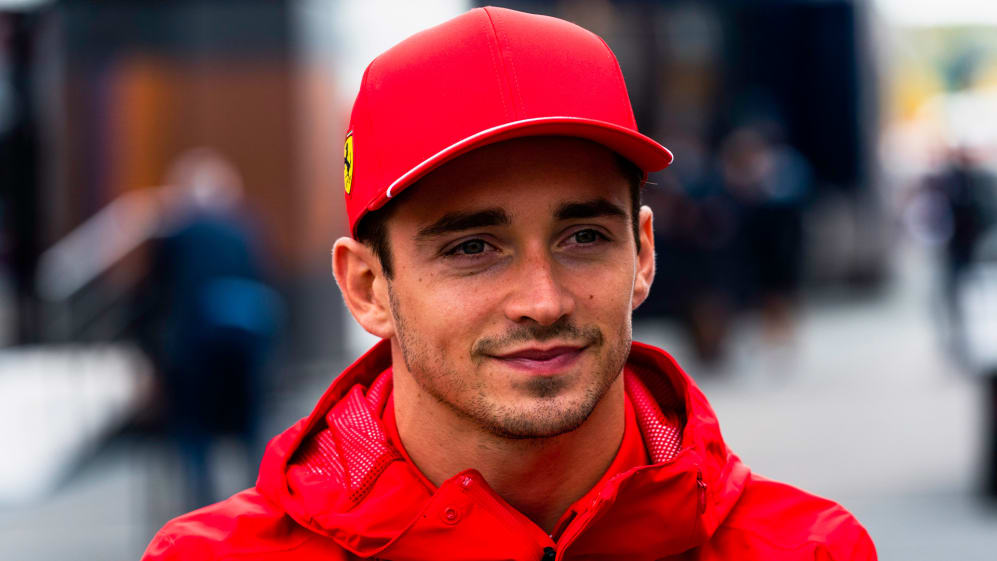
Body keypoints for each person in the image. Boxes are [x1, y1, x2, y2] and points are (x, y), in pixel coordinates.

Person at [142, 7, 875, 560]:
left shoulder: (808, 549)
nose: (542, 301)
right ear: (366, 287)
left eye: (584, 237)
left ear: (643, 254)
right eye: (471, 248)